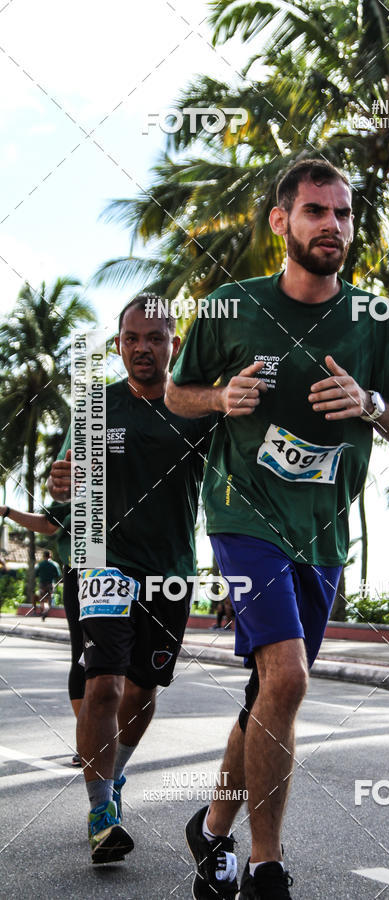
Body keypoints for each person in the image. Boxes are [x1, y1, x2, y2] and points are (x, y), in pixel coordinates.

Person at [165, 158, 389, 899]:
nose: (332, 227)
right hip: (244, 516)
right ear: (282, 222)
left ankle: (211, 828)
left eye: (342, 214)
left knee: (267, 695)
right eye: (316, 212)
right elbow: (178, 395)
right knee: (287, 676)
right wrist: (222, 398)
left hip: (323, 531)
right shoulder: (230, 307)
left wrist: (370, 403)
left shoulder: (375, 320)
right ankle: (266, 864)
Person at [48, 295, 213, 864]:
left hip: (169, 572)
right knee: (105, 686)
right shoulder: (95, 405)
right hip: (102, 562)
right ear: (118, 343)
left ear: (174, 343)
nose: (143, 347)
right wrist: (64, 481)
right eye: (132, 338)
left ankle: (113, 776)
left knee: (142, 692)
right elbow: (68, 478)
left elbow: (230, 486)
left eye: (156, 337)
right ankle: (100, 813)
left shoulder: (198, 407)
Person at [0, 503, 83, 765]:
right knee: (83, 656)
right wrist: (7, 511)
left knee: (131, 669)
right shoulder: (85, 488)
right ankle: (90, 739)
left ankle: (112, 741)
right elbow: (49, 523)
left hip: (134, 570)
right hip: (82, 569)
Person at [34, 549, 61, 619]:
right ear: (50, 556)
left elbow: (36, 574)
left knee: (42, 599)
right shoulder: (55, 564)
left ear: (43, 556)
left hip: (42, 584)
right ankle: (45, 611)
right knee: (49, 598)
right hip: (50, 584)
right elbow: (58, 575)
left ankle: (43, 611)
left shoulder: (40, 564)